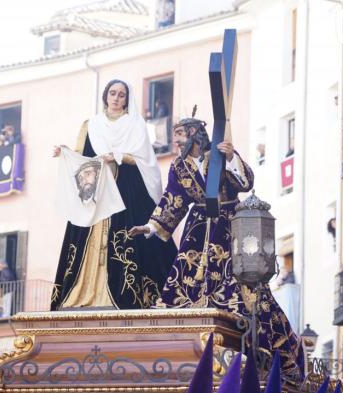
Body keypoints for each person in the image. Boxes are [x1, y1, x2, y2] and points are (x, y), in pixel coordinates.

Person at [128, 115, 304, 384]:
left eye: (181, 135)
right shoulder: (179, 166)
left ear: (196, 135)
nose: (176, 140)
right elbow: (172, 201)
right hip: (197, 230)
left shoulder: (220, 156)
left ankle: (261, 345)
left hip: (230, 227)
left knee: (246, 288)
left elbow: (245, 183)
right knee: (182, 287)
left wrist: (232, 157)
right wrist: (150, 227)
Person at [50, 79, 177, 310]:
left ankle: (121, 298)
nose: (116, 98)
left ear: (127, 99)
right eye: (113, 93)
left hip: (126, 190)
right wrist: (65, 153)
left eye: (121, 94)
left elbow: (144, 158)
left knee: (130, 243)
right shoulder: (91, 125)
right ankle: (84, 293)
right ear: (106, 96)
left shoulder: (135, 124)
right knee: (84, 240)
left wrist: (117, 156)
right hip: (97, 193)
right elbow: (83, 156)